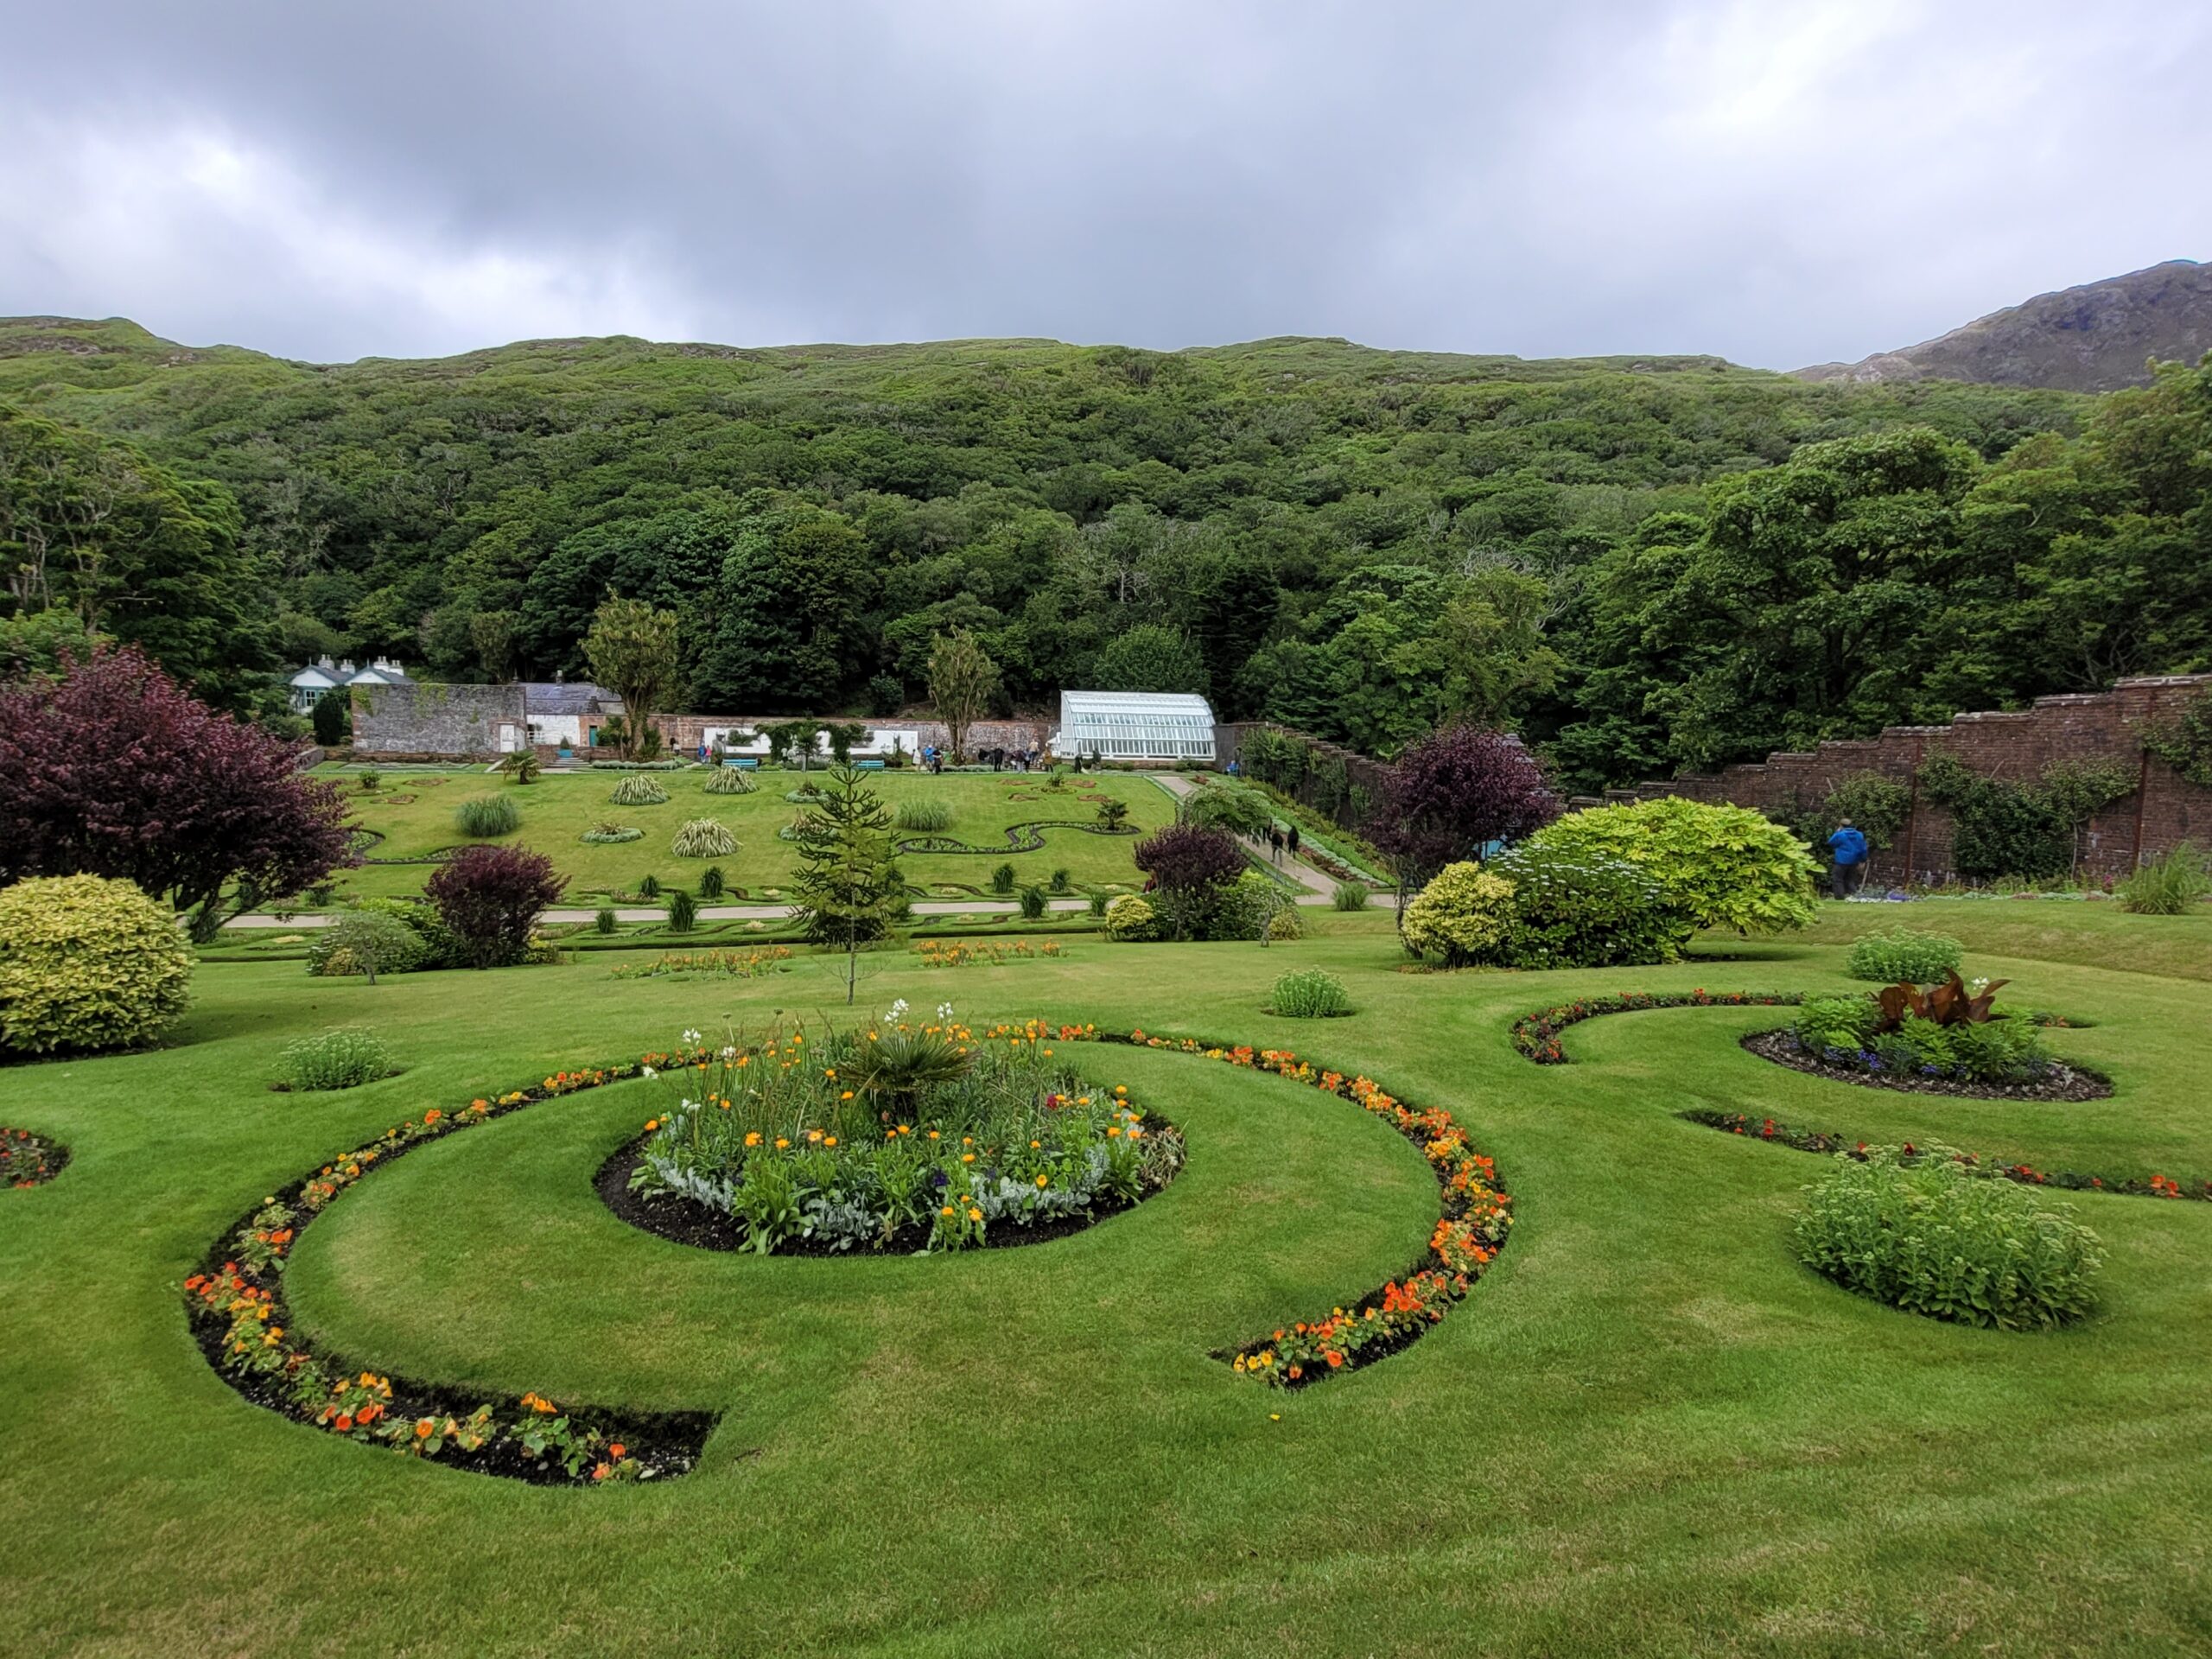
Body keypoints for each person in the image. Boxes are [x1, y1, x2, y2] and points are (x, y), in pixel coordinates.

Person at [1826, 818, 1869, 899]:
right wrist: (1863, 860)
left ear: (1841, 825)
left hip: (1841, 860)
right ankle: (1855, 896)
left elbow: (1831, 842)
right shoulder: (1859, 835)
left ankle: (1840, 898)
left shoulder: (1840, 834)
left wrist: (1837, 832)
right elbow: (1864, 849)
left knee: (1838, 879)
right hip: (1854, 860)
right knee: (1850, 880)